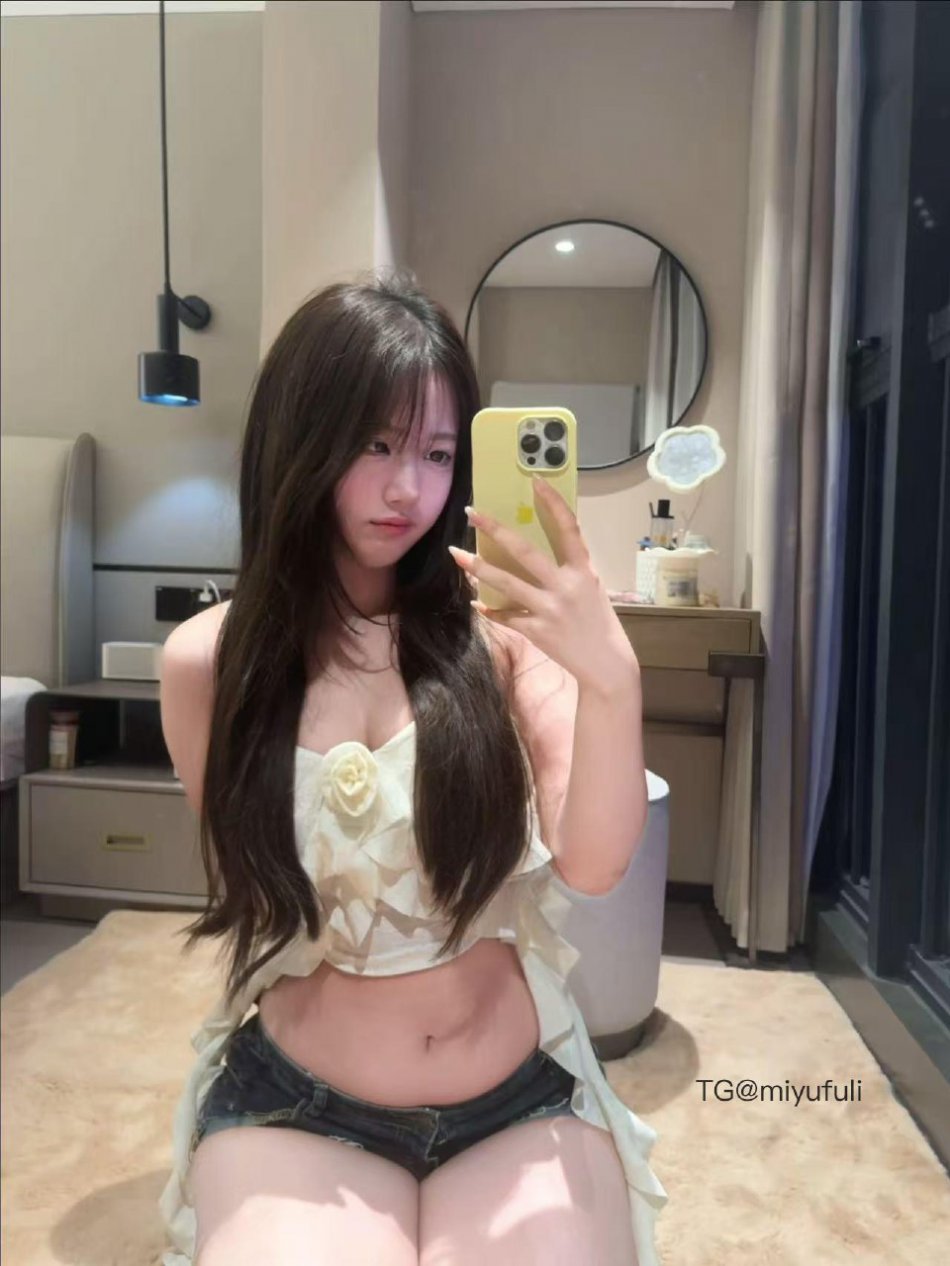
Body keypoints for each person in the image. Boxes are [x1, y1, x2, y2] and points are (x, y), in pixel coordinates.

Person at [158, 271, 668, 1266]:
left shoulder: (502, 643)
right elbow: (259, 888)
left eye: (437, 453)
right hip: (300, 1107)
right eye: (375, 444)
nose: (410, 490)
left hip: (517, 1101)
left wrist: (611, 680)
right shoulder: (207, 665)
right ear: (299, 439)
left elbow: (595, 863)